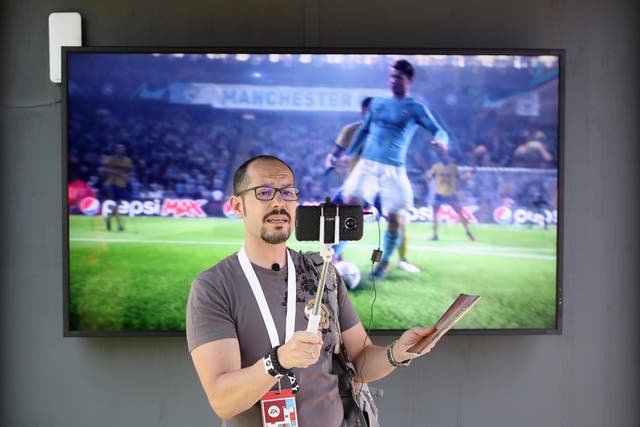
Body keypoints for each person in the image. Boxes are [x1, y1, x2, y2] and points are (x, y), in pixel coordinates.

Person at [186, 155, 441, 427]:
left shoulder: (323, 272)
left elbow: (360, 360)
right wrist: (279, 360)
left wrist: (397, 352)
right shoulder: (214, 287)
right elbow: (223, 401)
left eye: (287, 192)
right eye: (264, 192)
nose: (278, 202)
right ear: (238, 206)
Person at [341, 59, 450, 281]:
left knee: (395, 219)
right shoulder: (378, 104)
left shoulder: (415, 108)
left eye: (398, 77)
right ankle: (332, 255)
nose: (393, 81)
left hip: (394, 169)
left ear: (408, 80)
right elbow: (363, 131)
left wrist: (442, 142)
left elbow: (438, 131)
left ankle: (383, 263)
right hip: (368, 165)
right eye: (391, 76)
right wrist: (349, 154)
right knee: (350, 207)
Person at [325, 97, 420, 274]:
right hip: (356, 185)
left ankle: (388, 262)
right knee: (340, 219)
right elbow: (335, 153)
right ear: (362, 112)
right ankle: (335, 255)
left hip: (382, 185)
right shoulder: (351, 131)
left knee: (396, 220)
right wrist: (332, 161)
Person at [425, 148, 476, 241]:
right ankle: (435, 235)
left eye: (446, 155)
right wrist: (427, 176)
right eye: (443, 155)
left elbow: (460, 178)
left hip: (451, 194)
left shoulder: (453, 167)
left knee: (460, 214)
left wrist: (469, 175)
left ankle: (469, 234)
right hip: (439, 194)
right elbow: (429, 178)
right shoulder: (436, 167)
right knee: (434, 213)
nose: (445, 157)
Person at [101, 144, 132, 231]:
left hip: (122, 183)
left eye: (122, 149)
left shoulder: (127, 160)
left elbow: (129, 172)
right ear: (116, 150)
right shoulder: (111, 159)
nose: (121, 150)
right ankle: (120, 224)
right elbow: (104, 169)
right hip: (113, 182)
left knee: (118, 203)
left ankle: (109, 218)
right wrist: (114, 172)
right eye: (119, 149)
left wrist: (127, 175)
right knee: (117, 202)